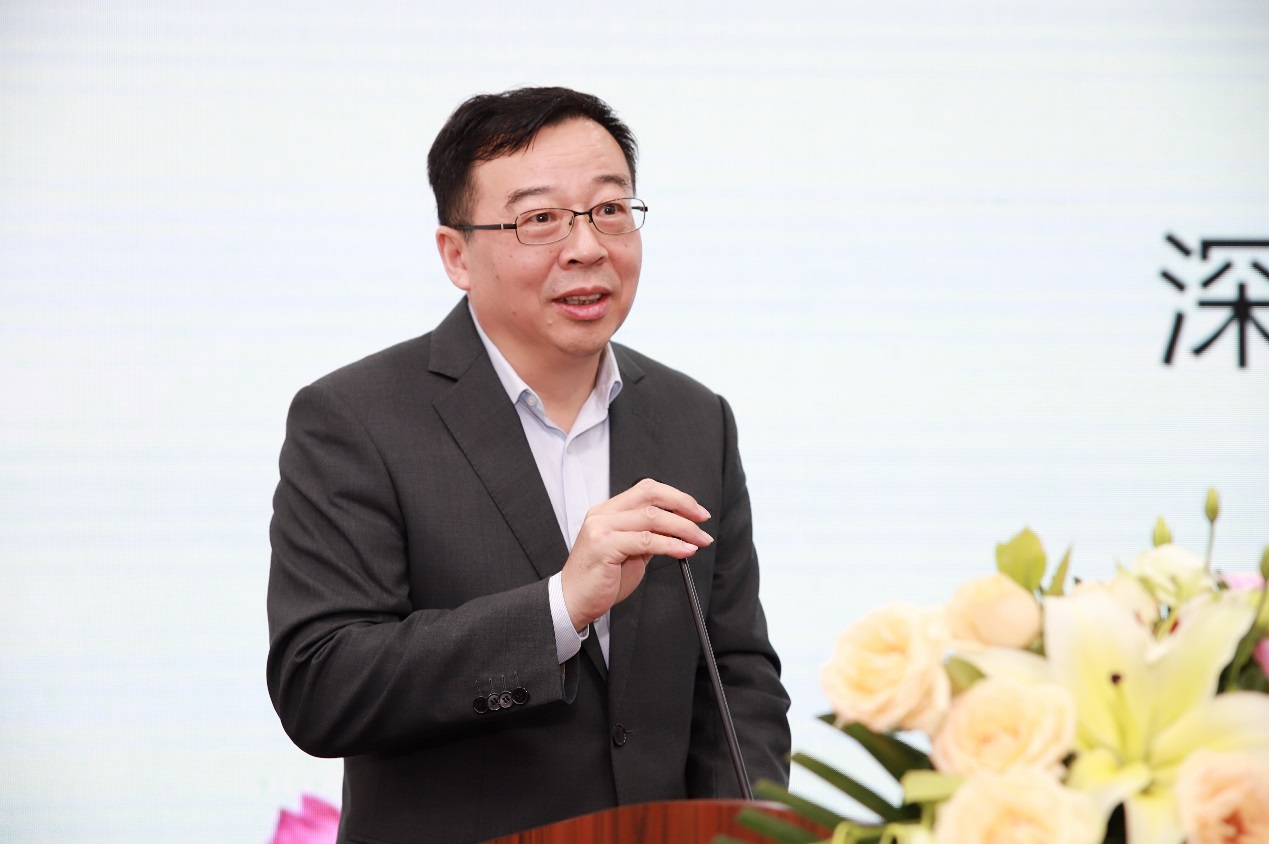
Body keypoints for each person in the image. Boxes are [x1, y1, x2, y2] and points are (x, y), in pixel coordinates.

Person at [266, 86, 790, 844]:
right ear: (456, 255)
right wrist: (558, 609)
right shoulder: (355, 419)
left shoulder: (693, 417)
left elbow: (737, 677)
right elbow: (322, 684)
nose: (587, 247)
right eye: (540, 219)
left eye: (609, 209)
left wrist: (743, 832)